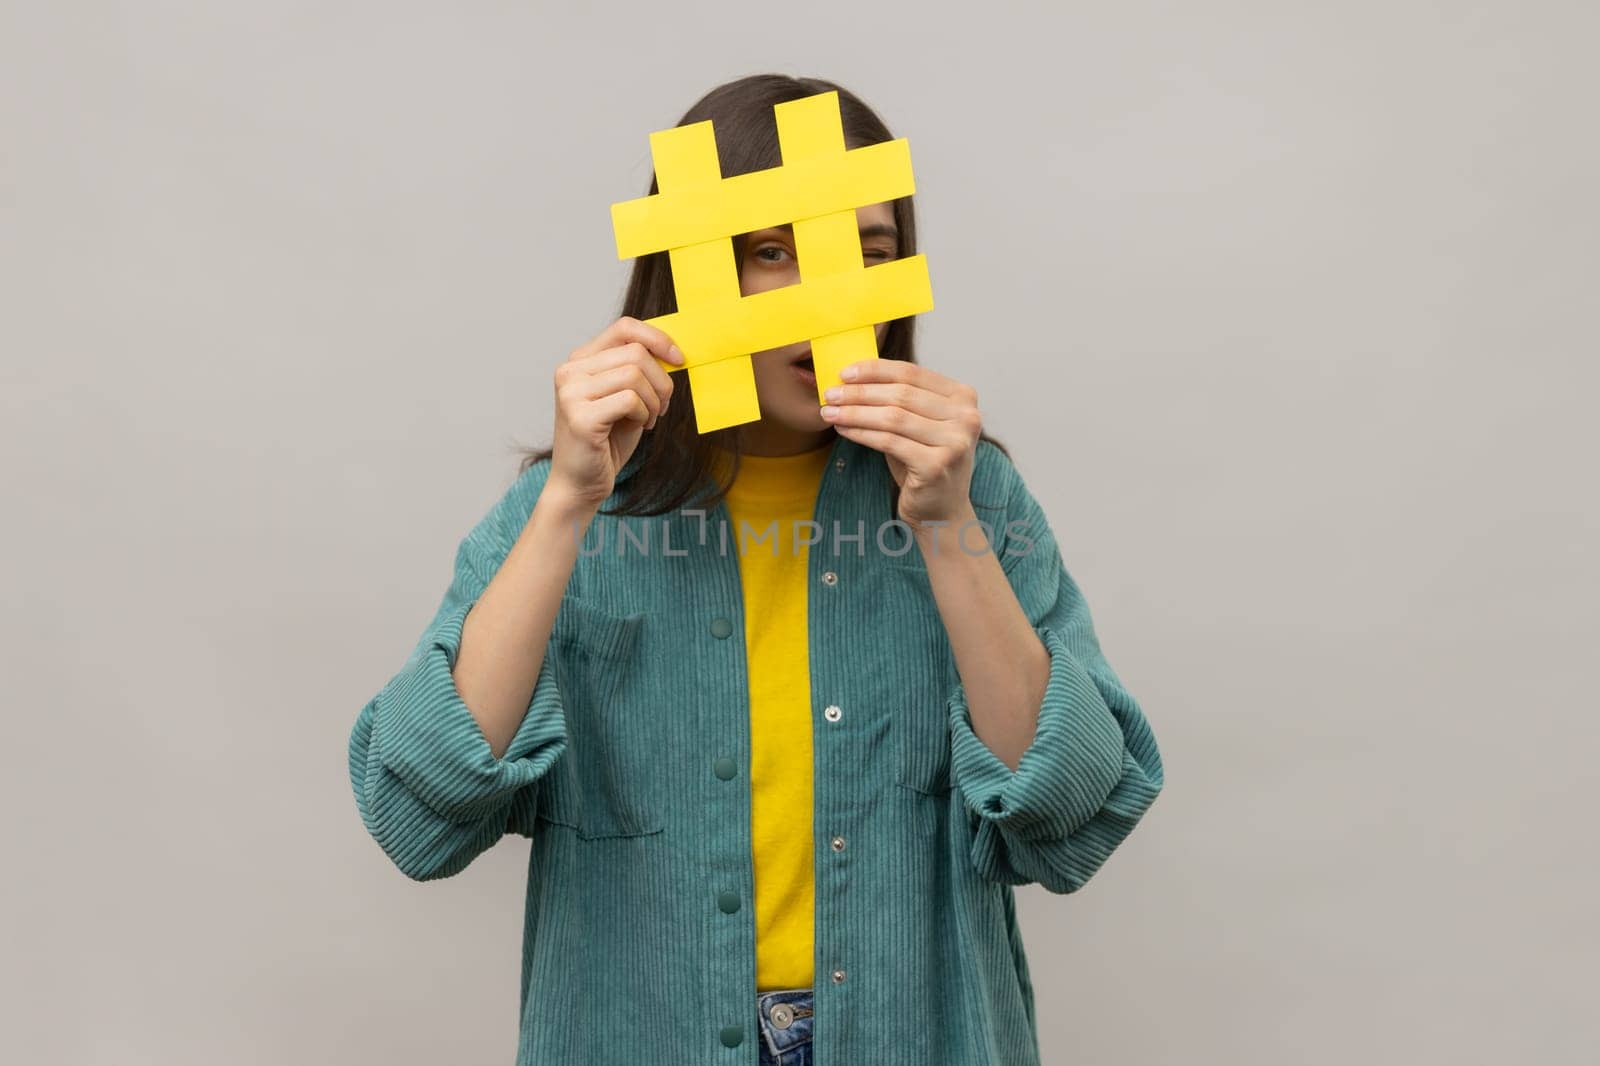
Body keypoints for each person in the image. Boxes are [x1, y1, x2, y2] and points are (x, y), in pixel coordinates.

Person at [347, 73, 1164, 1066]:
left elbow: (1069, 814)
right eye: (771, 252)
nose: (822, 296)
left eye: (866, 251)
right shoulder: (570, 503)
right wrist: (567, 498)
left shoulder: (973, 497)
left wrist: (948, 525)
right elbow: (418, 806)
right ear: (686, 274)